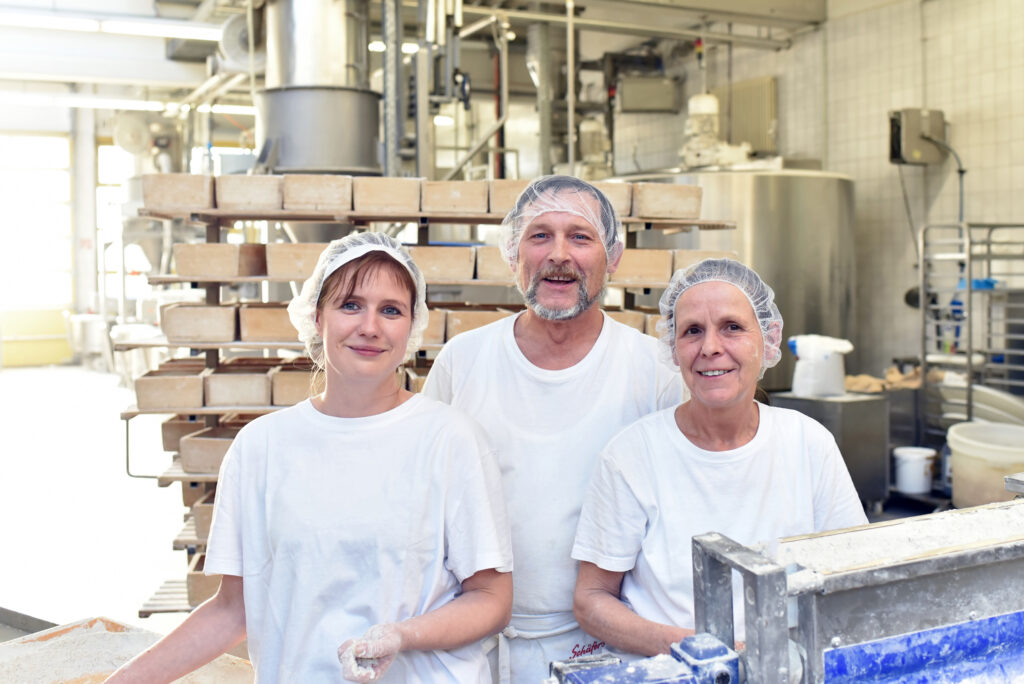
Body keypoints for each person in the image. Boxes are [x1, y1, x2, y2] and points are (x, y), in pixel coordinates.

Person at [107, 232, 513, 684]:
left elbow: (492, 598)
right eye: (350, 305)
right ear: (317, 316)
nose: (371, 326)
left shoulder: (451, 441)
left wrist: (404, 635)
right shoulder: (261, 447)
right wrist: (123, 681)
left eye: (391, 310)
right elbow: (232, 608)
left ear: (412, 326)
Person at [422, 175, 684, 683]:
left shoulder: (654, 370)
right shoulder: (464, 361)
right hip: (471, 644)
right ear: (513, 251)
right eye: (540, 235)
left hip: (608, 649)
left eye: (580, 237)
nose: (559, 254)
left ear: (612, 256)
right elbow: (422, 504)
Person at [571, 258, 867, 659]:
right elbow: (591, 599)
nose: (710, 347)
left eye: (732, 327)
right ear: (673, 350)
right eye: (692, 331)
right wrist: (698, 649)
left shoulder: (807, 442)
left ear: (768, 339)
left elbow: (855, 575)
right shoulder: (632, 455)